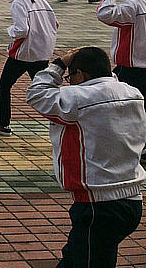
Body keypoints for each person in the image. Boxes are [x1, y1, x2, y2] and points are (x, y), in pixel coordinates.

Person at [27, 46, 145, 268]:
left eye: (70, 77)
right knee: (82, 257)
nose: (69, 82)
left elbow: (36, 93)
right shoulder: (133, 93)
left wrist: (58, 64)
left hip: (98, 204)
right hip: (132, 199)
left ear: (80, 74)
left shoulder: (79, 98)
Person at [0, 0, 58, 136]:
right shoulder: (43, 2)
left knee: (4, 86)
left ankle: (4, 124)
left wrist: (10, 30)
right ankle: (58, 119)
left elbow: (21, 30)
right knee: (44, 89)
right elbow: (55, 24)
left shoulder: (18, 3)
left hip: (24, 53)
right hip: (42, 52)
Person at [96, 0, 146, 146]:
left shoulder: (133, 6)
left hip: (132, 67)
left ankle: (129, 142)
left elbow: (104, 14)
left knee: (124, 107)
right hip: (140, 66)